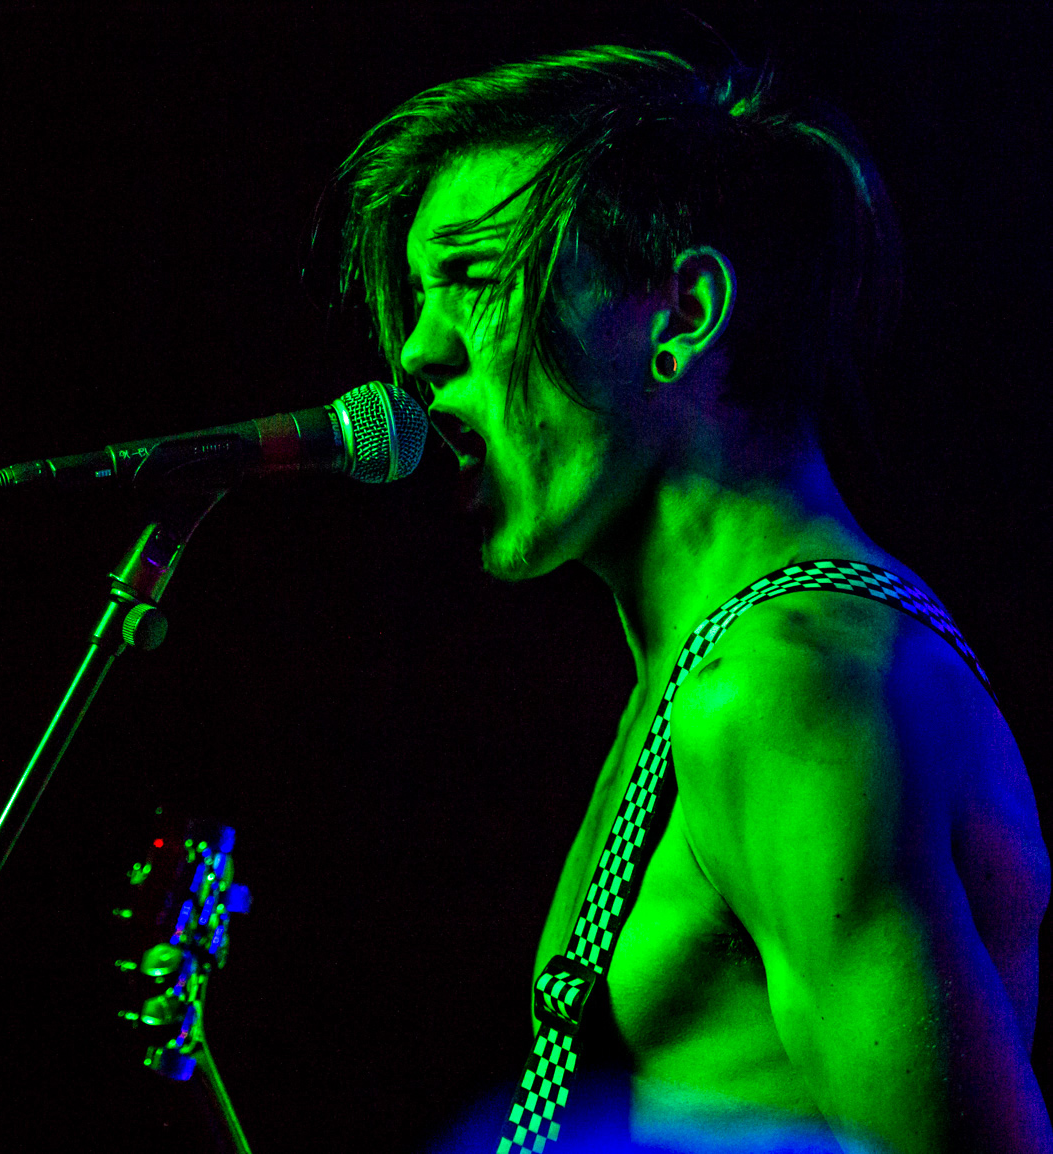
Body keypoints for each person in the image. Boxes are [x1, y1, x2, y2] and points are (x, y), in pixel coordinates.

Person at [338, 47, 1050, 1153]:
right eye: (419, 299)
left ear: (682, 314)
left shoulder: (787, 692)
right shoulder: (711, 673)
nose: (418, 352)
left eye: (475, 278)